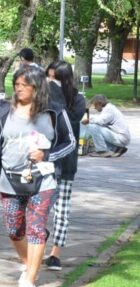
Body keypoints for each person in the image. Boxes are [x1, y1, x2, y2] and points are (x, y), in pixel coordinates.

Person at [0, 66, 75, 287]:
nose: (18, 89)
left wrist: (47, 154)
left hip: (43, 179)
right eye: (16, 84)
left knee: (36, 228)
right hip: (9, 179)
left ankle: (29, 282)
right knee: (14, 229)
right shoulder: (4, 111)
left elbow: (70, 142)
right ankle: (28, 262)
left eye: (24, 85)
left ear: (37, 87)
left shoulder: (54, 111)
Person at [44, 61, 86, 271]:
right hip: (44, 161)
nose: (51, 82)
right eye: (48, 77)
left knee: (62, 209)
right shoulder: (43, 97)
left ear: (66, 80)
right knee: (39, 207)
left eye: (55, 78)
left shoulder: (78, 99)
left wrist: (57, 95)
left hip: (66, 163)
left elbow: (70, 121)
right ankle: (37, 243)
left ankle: (55, 253)